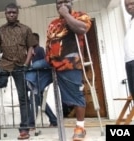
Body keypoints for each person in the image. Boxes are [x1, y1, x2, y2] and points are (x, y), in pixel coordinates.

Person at [0, 3, 37, 140]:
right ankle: (0, 124)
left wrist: (26, 64)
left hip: (20, 66)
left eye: (14, 12)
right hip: (4, 65)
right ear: (5, 14)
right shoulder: (0, 30)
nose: (11, 14)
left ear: (17, 14)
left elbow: (30, 48)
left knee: (23, 98)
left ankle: (24, 129)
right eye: (9, 12)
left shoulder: (26, 29)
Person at [45, 0, 91, 140]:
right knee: (32, 76)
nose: (62, 4)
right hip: (53, 65)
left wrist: (66, 15)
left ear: (71, 2)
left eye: (65, 1)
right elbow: (49, 42)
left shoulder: (80, 16)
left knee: (76, 96)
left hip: (70, 64)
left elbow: (82, 29)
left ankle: (80, 127)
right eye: (59, 2)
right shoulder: (53, 23)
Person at [26, 33, 57, 129]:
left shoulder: (39, 50)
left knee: (34, 101)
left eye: (32, 39)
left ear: (36, 40)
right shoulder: (32, 50)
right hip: (36, 79)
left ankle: (31, 124)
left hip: (38, 80)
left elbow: (42, 63)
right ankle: (54, 120)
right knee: (39, 101)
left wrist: (31, 65)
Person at [124, 0, 134, 101]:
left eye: (132, 4)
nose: (129, 7)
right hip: (129, 61)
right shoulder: (130, 21)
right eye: (127, 5)